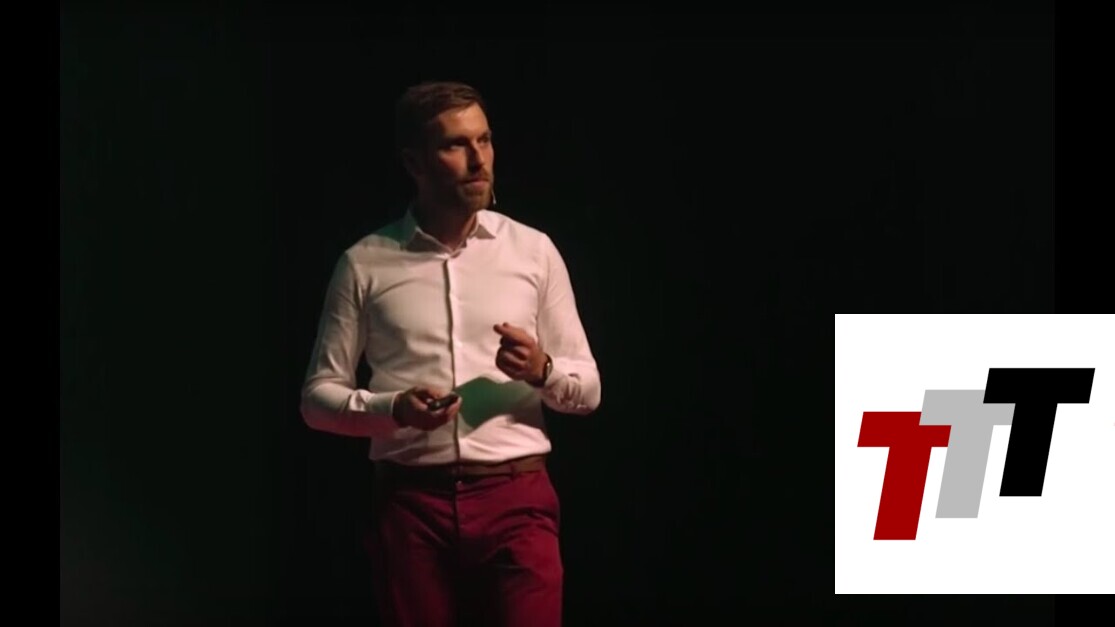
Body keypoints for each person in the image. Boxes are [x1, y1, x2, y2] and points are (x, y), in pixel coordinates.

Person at [299, 80, 602, 627]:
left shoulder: (533, 251)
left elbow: (589, 389)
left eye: (484, 140)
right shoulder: (364, 264)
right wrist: (393, 408)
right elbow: (318, 400)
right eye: (456, 145)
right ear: (414, 163)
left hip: (516, 497)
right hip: (413, 505)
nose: (478, 160)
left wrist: (543, 370)